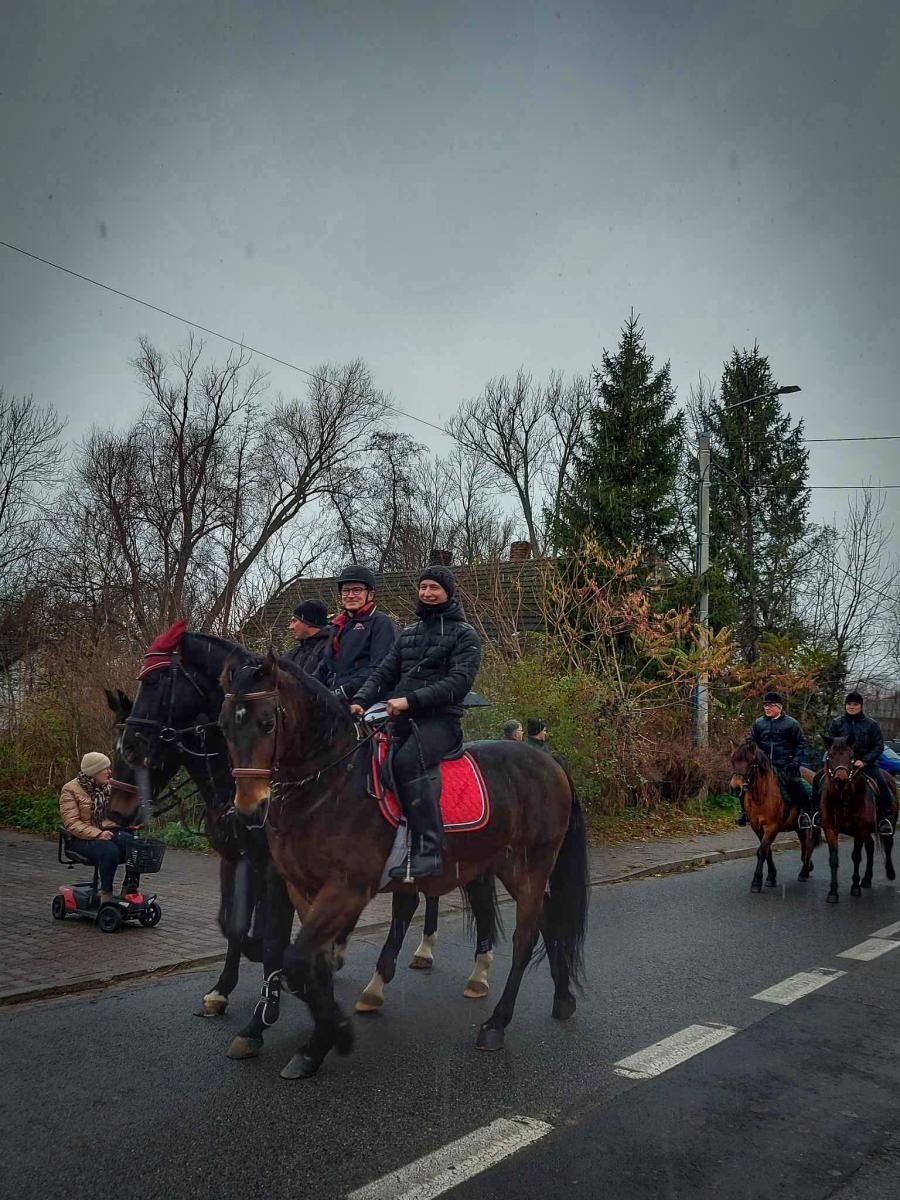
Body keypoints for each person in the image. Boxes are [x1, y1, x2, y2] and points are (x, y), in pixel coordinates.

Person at [350, 564, 482, 879]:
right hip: (403, 720)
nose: (427, 593)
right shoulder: (409, 633)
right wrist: (359, 701)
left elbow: (458, 682)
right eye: (423, 587)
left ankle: (429, 850)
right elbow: (383, 673)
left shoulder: (465, 634)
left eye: (434, 588)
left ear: (448, 592)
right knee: (368, 761)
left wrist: (410, 701)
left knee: (407, 763)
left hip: (440, 722)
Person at [816, 690, 895, 835]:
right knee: (817, 779)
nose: (852, 707)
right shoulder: (836, 723)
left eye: (855, 704)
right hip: (841, 765)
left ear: (861, 706)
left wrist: (865, 760)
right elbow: (830, 744)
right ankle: (816, 813)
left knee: (883, 783)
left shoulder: (871, 725)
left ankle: (885, 817)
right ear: (845, 705)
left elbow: (879, 745)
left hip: (865, 764)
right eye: (849, 704)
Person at [58, 753, 132, 902]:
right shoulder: (70, 790)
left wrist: (129, 822)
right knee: (110, 851)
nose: (109, 772)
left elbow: (116, 814)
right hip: (79, 839)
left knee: (135, 845)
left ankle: (129, 889)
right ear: (94, 772)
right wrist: (98, 834)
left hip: (104, 832)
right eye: (105, 769)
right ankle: (106, 895)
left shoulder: (107, 787)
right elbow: (72, 823)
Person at [317, 564, 397, 702]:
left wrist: (345, 690)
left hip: (368, 698)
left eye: (357, 590)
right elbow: (325, 665)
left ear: (370, 594)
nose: (350, 596)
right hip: (335, 696)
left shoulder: (381, 622)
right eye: (346, 591)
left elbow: (380, 666)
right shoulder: (337, 626)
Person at [738, 690, 814, 828]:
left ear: (779, 707)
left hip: (785, 764)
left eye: (770, 705)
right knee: (745, 783)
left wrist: (795, 762)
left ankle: (804, 813)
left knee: (796, 785)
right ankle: (743, 812)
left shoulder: (791, 724)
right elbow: (751, 740)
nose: (767, 708)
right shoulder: (758, 723)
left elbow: (801, 744)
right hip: (763, 765)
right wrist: (752, 750)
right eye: (765, 705)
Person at [285, 599, 332, 675]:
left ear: (308, 622)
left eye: (294, 621)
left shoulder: (331, 649)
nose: (291, 627)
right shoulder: (294, 653)